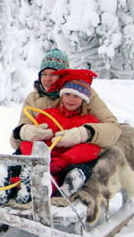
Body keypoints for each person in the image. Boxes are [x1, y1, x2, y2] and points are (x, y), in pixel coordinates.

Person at [10, 69, 102, 204]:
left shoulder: (89, 121)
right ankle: (12, 179)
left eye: (76, 96)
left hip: (66, 162)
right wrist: (36, 147)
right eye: (67, 94)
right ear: (61, 96)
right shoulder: (47, 114)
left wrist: (65, 159)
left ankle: (67, 184)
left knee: (79, 167)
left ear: (83, 100)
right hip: (44, 159)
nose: (71, 99)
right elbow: (30, 140)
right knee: (26, 151)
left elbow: (91, 148)